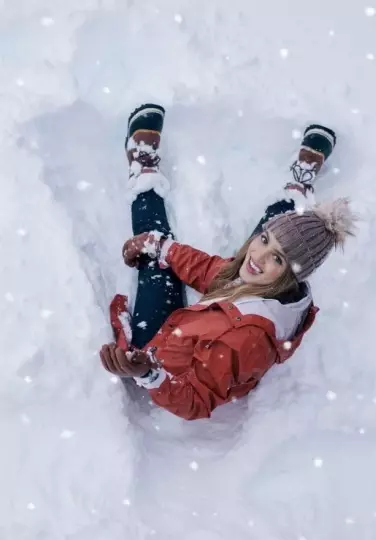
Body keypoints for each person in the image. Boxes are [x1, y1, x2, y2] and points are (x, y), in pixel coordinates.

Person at [100, 104, 355, 421]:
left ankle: (143, 171)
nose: (258, 257)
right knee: (163, 251)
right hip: (189, 332)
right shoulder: (266, 284)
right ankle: (297, 189)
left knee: (155, 269)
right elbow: (216, 273)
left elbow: (195, 401)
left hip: (163, 361)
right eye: (264, 242)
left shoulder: (245, 340)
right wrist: (161, 247)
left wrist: (149, 373)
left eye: (276, 258)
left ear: (292, 275)